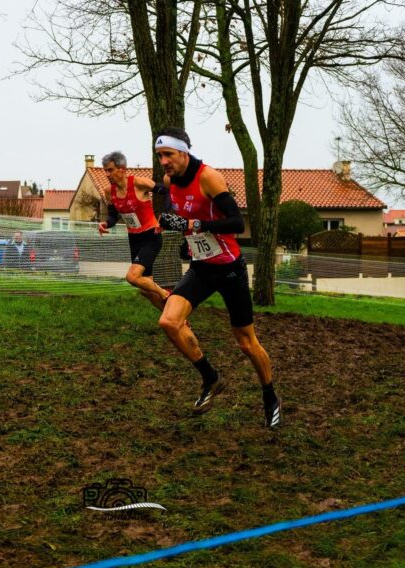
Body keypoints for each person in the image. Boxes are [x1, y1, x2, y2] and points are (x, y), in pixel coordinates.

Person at [152, 127, 281, 427]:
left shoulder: (208, 177)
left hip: (229, 268)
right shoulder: (170, 182)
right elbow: (182, 215)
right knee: (169, 321)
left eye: (168, 154)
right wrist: (180, 232)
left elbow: (237, 223)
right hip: (202, 268)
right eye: (159, 156)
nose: (164, 162)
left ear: (183, 152)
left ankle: (270, 396)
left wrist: (195, 226)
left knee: (247, 343)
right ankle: (211, 378)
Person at [97, 151, 170, 310]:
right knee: (145, 290)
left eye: (110, 170)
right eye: (105, 171)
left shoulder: (139, 183)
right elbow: (113, 216)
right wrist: (106, 224)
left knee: (132, 277)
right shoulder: (109, 192)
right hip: (134, 240)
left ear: (122, 169)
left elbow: (168, 192)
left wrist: (164, 218)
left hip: (151, 236)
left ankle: (165, 293)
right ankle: (175, 318)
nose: (107, 174)